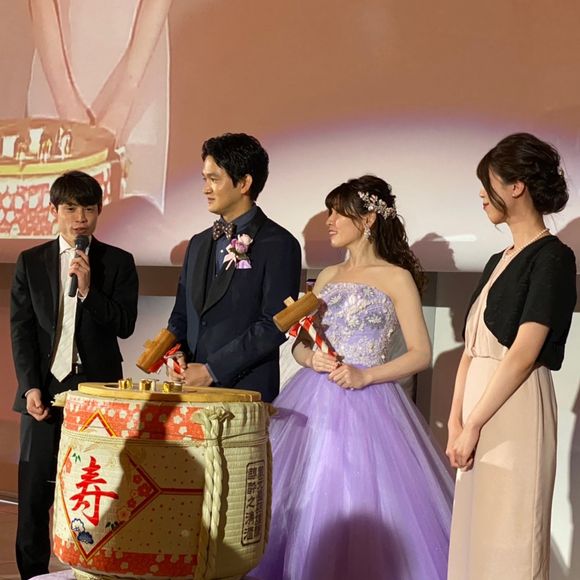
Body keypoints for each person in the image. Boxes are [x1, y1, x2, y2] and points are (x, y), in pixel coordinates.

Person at [251, 175, 454, 580]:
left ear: (368, 219)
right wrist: (311, 359)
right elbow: (300, 345)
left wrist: (366, 375)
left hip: (370, 402)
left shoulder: (396, 277)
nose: (328, 221)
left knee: (358, 492)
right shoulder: (327, 276)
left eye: (337, 212)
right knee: (301, 493)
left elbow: (421, 353)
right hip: (313, 399)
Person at [446, 133, 577, 580]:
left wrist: (474, 424)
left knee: (510, 534)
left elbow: (523, 353)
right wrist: (456, 422)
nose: (482, 195)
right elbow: (470, 349)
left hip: (514, 405)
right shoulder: (496, 260)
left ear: (517, 186)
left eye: (489, 184)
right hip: (478, 409)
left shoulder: (553, 258)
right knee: (475, 535)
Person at [10, 170, 139, 579]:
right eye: (70, 209)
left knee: (92, 492)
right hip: (44, 393)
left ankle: (88, 571)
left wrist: (87, 290)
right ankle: (32, 574)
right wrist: (29, 387)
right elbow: (22, 330)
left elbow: (125, 325)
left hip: (96, 393)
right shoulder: (31, 261)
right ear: (54, 211)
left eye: (88, 209)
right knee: (34, 497)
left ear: (98, 211)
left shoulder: (118, 262)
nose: (80, 218)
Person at [167, 133, 302, 402]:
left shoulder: (279, 244)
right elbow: (181, 315)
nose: (205, 189)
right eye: (204, 179)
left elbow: (274, 323)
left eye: (214, 179)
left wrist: (212, 370)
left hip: (245, 392)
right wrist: (175, 354)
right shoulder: (198, 243)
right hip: (190, 391)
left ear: (244, 183)